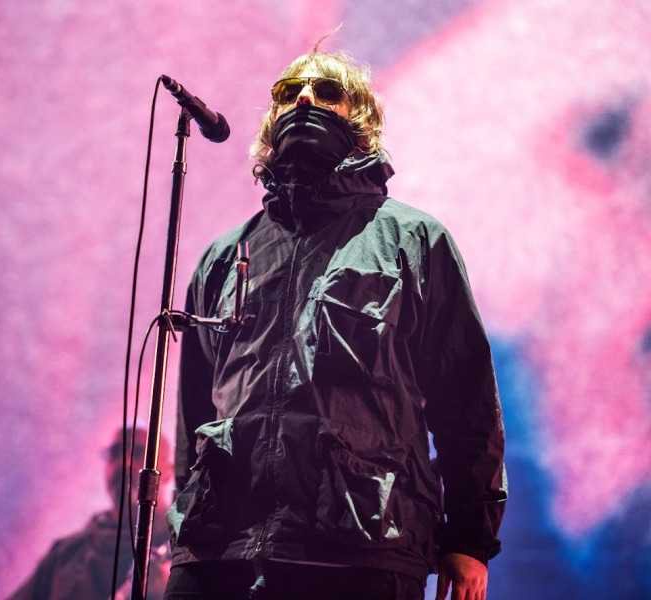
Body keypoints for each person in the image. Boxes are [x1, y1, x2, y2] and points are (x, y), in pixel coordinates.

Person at [164, 49, 507, 600]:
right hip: (222, 548)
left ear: (361, 119)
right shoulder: (226, 255)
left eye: (326, 92)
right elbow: (195, 409)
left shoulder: (414, 242)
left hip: (358, 544)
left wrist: (469, 536)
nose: (305, 99)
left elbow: (466, 398)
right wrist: (188, 528)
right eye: (289, 92)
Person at [9, 426, 172, 600]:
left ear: (169, 471)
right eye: (115, 454)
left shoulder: (183, 546)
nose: (124, 463)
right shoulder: (66, 553)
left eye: (139, 453)